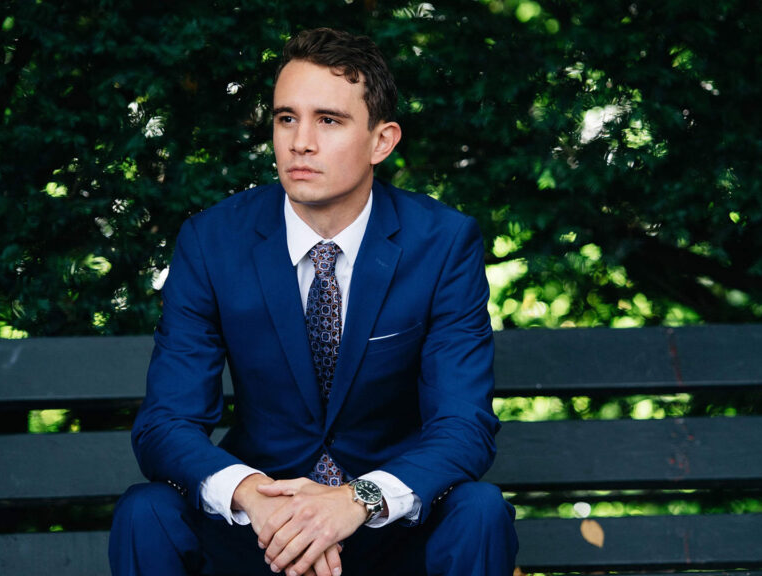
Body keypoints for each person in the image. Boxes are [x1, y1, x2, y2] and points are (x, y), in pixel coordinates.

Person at [109, 27, 518, 576]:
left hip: (385, 528)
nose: (300, 141)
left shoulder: (441, 243)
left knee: (480, 510)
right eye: (286, 118)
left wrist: (355, 502)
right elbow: (165, 423)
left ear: (382, 140)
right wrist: (252, 494)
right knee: (146, 511)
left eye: (328, 120)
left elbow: (463, 424)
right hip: (261, 529)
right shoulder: (214, 242)